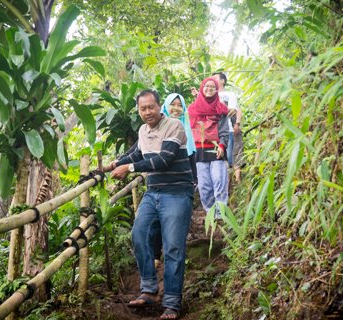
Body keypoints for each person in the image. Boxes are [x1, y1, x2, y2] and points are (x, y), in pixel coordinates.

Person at [104, 89, 193, 319]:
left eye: (151, 107)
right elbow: (136, 154)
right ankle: (149, 290)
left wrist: (129, 169)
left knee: (173, 247)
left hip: (177, 193)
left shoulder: (174, 126)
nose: (147, 112)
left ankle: (172, 303)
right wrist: (113, 164)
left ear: (159, 107)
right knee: (139, 234)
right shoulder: (143, 130)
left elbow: (164, 159)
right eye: (142, 109)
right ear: (139, 110)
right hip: (153, 193)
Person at [188, 78, 229, 219]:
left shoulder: (221, 109)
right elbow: (188, 131)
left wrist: (222, 146)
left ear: (217, 90)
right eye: (207, 86)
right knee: (204, 184)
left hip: (217, 149)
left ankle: (221, 213)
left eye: (213, 87)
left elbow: (224, 130)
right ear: (202, 88)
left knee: (219, 180)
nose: (209, 89)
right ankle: (210, 212)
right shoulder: (192, 109)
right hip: (199, 150)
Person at [212, 72, 243, 182]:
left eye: (215, 78)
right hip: (212, 132)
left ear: (223, 81)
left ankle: (234, 182)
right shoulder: (210, 95)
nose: (213, 79)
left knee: (231, 155)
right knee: (218, 157)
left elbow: (233, 110)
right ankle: (224, 182)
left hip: (227, 129)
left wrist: (237, 123)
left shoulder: (230, 94)